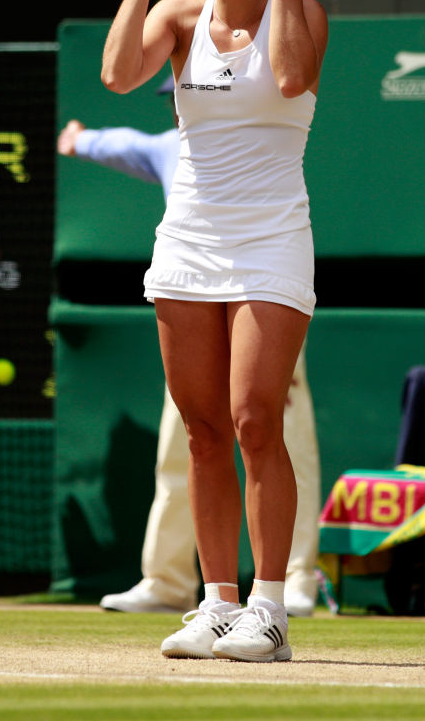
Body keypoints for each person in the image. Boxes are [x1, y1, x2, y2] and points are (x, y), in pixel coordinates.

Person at [100, 0, 328, 662]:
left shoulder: (301, 8)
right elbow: (118, 75)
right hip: (189, 238)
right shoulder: (177, 14)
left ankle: (270, 609)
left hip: (271, 238)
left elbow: (293, 78)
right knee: (202, 433)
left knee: (255, 419)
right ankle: (218, 604)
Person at [56, 85, 322, 620]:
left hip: (262, 296)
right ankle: (170, 579)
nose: (183, 101)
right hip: (195, 301)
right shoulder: (167, 146)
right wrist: (82, 140)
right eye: (177, 91)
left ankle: (294, 580)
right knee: (189, 446)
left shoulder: (264, 134)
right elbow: (121, 141)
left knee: (276, 437)